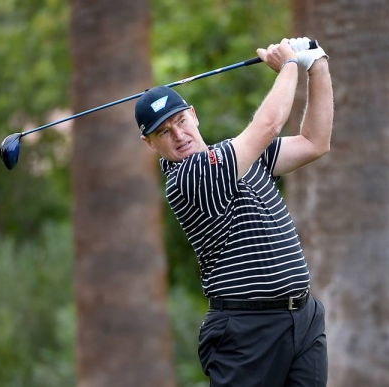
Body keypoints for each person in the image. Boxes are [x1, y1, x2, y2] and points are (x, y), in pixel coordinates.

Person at [135, 37, 333, 387]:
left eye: (181, 120)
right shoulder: (189, 177)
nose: (178, 135)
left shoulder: (237, 155)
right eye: (163, 132)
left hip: (302, 317)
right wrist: (289, 64)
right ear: (150, 143)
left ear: (194, 114)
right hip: (246, 333)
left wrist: (316, 65)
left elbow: (314, 142)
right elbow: (269, 125)